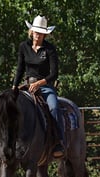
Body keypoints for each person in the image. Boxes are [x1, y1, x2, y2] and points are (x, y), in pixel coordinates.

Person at [12, 15, 64, 158]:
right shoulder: (24, 46)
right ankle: (2, 145)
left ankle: (58, 141)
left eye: (41, 33)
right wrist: (14, 86)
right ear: (31, 32)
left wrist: (39, 83)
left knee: (54, 107)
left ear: (45, 34)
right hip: (27, 85)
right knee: (5, 106)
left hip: (45, 86)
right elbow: (20, 68)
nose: (38, 35)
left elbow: (54, 73)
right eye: (36, 32)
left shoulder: (49, 49)